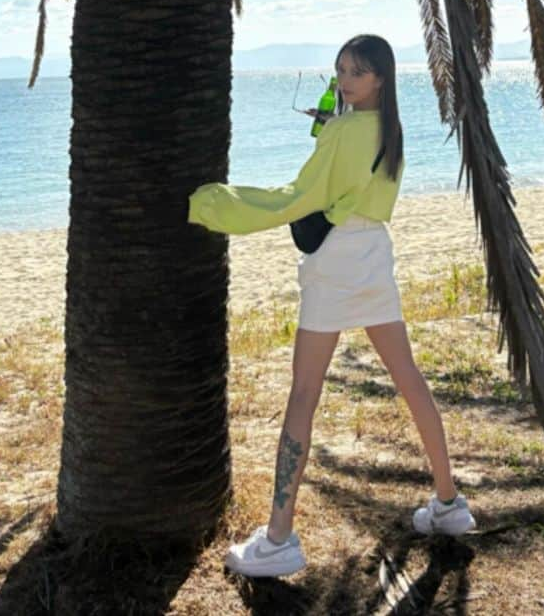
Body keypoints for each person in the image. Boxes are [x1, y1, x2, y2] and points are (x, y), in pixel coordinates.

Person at [187, 33, 475, 579]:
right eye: (341, 69)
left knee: (304, 393)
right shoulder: (392, 131)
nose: (345, 80)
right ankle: (448, 503)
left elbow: (297, 198)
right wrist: (330, 138)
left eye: (358, 72)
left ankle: (277, 539)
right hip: (373, 255)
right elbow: (348, 187)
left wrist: (210, 204)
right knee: (409, 378)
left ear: (380, 79)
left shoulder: (342, 130)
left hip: (337, 261)